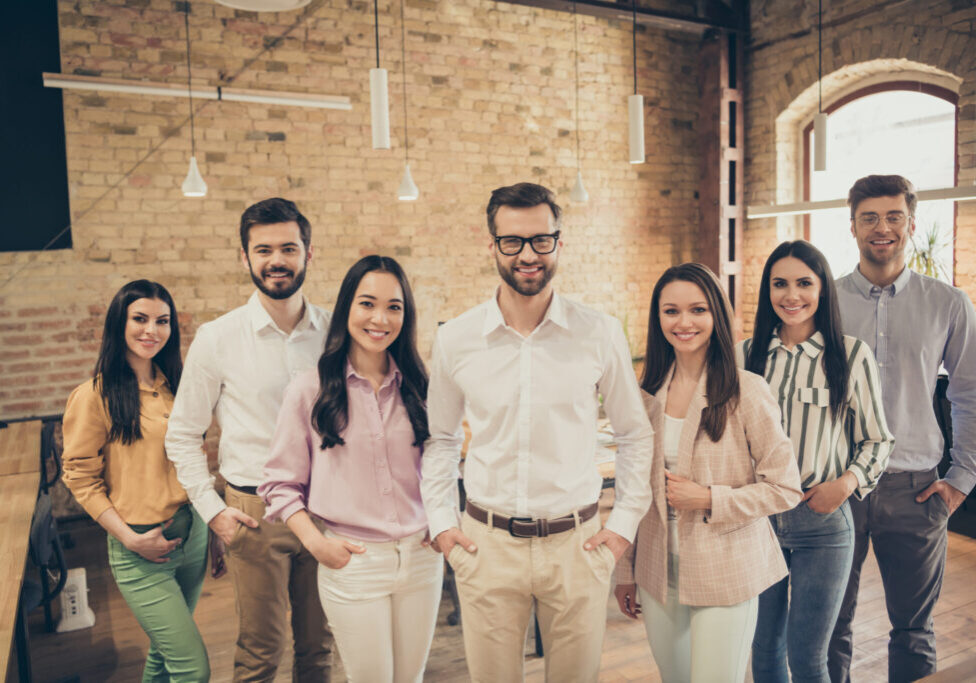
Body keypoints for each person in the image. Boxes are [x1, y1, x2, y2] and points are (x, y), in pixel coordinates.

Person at [420, 182, 654, 682]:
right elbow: (439, 439)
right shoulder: (455, 338)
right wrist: (442, 524)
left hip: (579, 546)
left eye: (540, 240)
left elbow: (635, 434)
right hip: (486, 546)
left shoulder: (599, 332)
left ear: (558, 243)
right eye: (512, 241)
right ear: (493, 246)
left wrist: (622, 529)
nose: (527, 254)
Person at [165, 198, 333, 682]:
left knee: (319, 648)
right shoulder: (218, 338)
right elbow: (182, 435)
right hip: (255, 513)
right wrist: (212, 511)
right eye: (263, 250)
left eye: (288, 247)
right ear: (245, 257)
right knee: (260, 653)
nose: (275, 260)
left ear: (308, 252)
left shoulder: (335, 332)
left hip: (327, 507)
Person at [613, 262, 803, 683]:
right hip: (658, 574)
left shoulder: (747, 390)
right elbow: (633, 492)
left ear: (717, 314)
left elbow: (786, 488)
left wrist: (710, 498)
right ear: (657, 317)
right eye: (671, 311)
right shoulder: (644, 396)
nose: (684, 322)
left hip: (726, 572)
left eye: (697, 310)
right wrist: (625, 571)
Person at [258, 255, 442, 683]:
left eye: (394, 307)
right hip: (355, 562)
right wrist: (317, 544)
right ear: (347, 310)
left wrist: (441, 518)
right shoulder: (310, 389)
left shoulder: (419, 386)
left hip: (421, 558)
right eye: (367, 303)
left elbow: (439, 464)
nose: (380, 318)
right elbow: (280, 483)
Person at [827, 175, 976, 683]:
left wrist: (961, 480)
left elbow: (969, 393)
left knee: (914, 630)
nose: (881, 228)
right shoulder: (825, 301)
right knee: (829, 625)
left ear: (911, 225)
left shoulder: (949, 303)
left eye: (893, 217)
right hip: (838, 486)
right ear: (852, 227)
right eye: (869, 217)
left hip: (916, 488)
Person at [739, 241, 894, 683]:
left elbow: (878, 440)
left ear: (823, 289)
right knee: (764, 651)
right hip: (758, 525)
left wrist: (844, 485)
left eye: (804, 283)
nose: (792, 295)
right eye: (780, 284)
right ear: (768, 291)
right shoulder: (744, 356)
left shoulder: (850, 355)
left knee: (809, 660)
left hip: (823, 527)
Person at [62, 280, 209, 682]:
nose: (151, 330)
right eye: (139, 319)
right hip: (140, 546)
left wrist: (212, 521)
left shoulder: (177, 386)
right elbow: (80, 479)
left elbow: (194, 460)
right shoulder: (94, 396)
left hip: (192, 534)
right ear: (118, 324)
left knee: (165, 655)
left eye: (162, 321)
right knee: (193, 669)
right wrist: (129, 538)